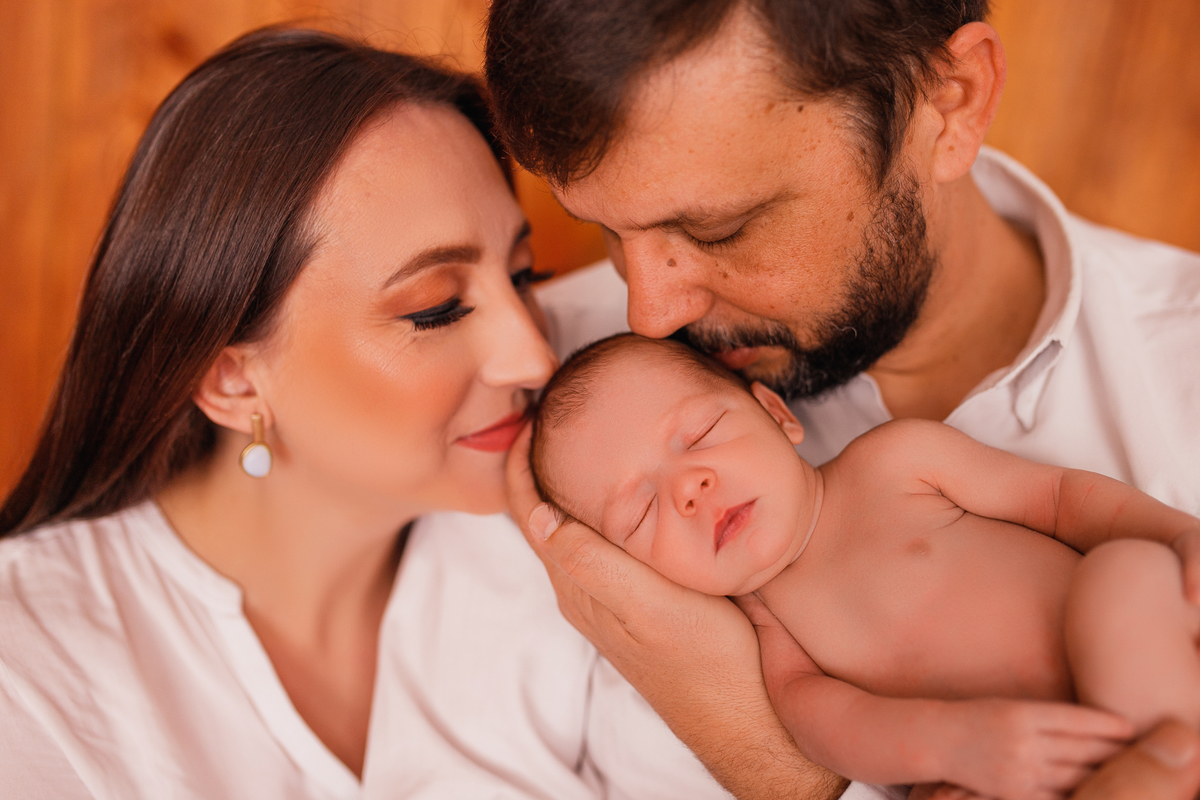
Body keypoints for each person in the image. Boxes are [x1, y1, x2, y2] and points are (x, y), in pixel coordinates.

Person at [485, 0, 1200, 797]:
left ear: (951, 99)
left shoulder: (1179, 370)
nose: (649, 313)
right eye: (610, 234)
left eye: (721, 229)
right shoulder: (536, 400)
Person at [0, 28, 732, 800]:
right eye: (436, 310)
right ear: (231, 380)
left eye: (524, 276)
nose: (533, 358)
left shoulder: (583, 513)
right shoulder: (30, 676)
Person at [529, 332, 1200, 799]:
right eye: (642, 513)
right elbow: (831, 729)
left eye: (701, 434)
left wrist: (1177, 536)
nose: (690, 487)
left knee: (1122, 578)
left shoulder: (898, 462)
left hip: (1134, 663)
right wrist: (954, 744)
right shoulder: (770, 631)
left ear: (776, 413)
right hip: (1029, 762)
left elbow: (1058, 499)